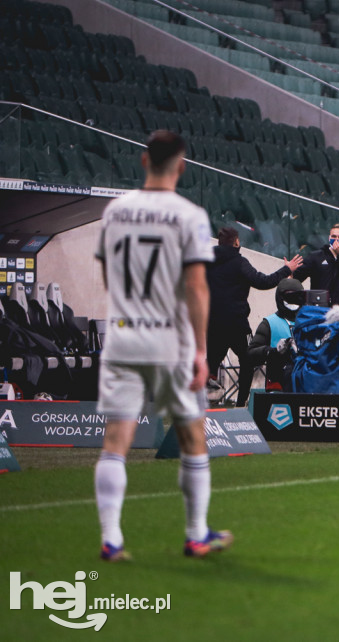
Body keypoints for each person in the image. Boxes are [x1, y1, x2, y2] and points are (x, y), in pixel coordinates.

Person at [94, 130, 231, 561]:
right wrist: (200, 351)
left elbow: (108, 275)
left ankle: (112, 538)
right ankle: (195, 534)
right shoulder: (189, 215)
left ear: (143, 160)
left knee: (116, 438)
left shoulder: (115, 211)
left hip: (122, 337)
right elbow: (196, 288)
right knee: (192, 436)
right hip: (170, 342)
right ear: (183, 165)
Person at [206, 226, 301, 406]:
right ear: (236, 242)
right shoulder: (240, 262)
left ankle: (199, 405)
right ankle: (241, 404)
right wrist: (285, 269)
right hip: (236, 324)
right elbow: (263, 282)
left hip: (213, 324)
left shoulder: (207, 261)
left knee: (210, 364)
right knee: (247, 361)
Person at [246, 277, 305, 392]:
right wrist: (273, 351)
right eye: (289, 296)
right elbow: (250, 355)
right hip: (278, 384)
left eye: (296, 296)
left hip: (306, 382)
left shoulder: (310, 321)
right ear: (280, 297)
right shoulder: (269, 323)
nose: (293, 300)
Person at [293, 222, 339, 305]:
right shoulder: (316, 257)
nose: (336, 239)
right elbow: (296, 278)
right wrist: (289, 270)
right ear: (329, 238)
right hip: (319, 307)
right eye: (334, 236)